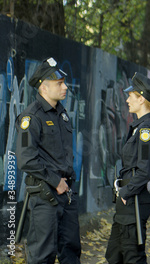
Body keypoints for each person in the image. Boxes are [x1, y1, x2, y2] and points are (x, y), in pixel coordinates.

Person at [16, 57, 81, 263]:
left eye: (63, 82)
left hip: (67, 194)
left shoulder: (62, 114)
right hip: (45, 196)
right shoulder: (31, 117)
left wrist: (67, 182)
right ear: (43, 88)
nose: (65, 87)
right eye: (59, 84)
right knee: (43, 255)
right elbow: (26, 159)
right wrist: (55, 181)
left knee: (71, 252)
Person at [105, 72, 150, 264]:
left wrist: (126, 192)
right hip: (128, 201)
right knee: (114, 255)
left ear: (141, 99)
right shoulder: (139, 127)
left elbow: (145, 170)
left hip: (134, 200)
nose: (127, 99)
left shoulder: (146, 130)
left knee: (133, 257)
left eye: (131, 96)